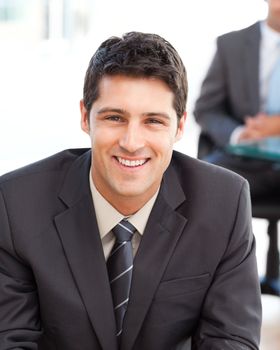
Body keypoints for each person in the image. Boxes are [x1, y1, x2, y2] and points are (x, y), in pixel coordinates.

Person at [0, 31, 261, 350]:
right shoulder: (15, 204)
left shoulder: (225, 203)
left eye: (153, 121)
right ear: (85, 117)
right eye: (114, 117)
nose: (132, 142)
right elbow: (10, 340)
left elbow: (231, 341)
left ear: (179, 127)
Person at [194, 0, 280, 199]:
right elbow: (206, 109)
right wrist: (240, 134)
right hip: (247, 162)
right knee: (200, 181)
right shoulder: (230, 45)